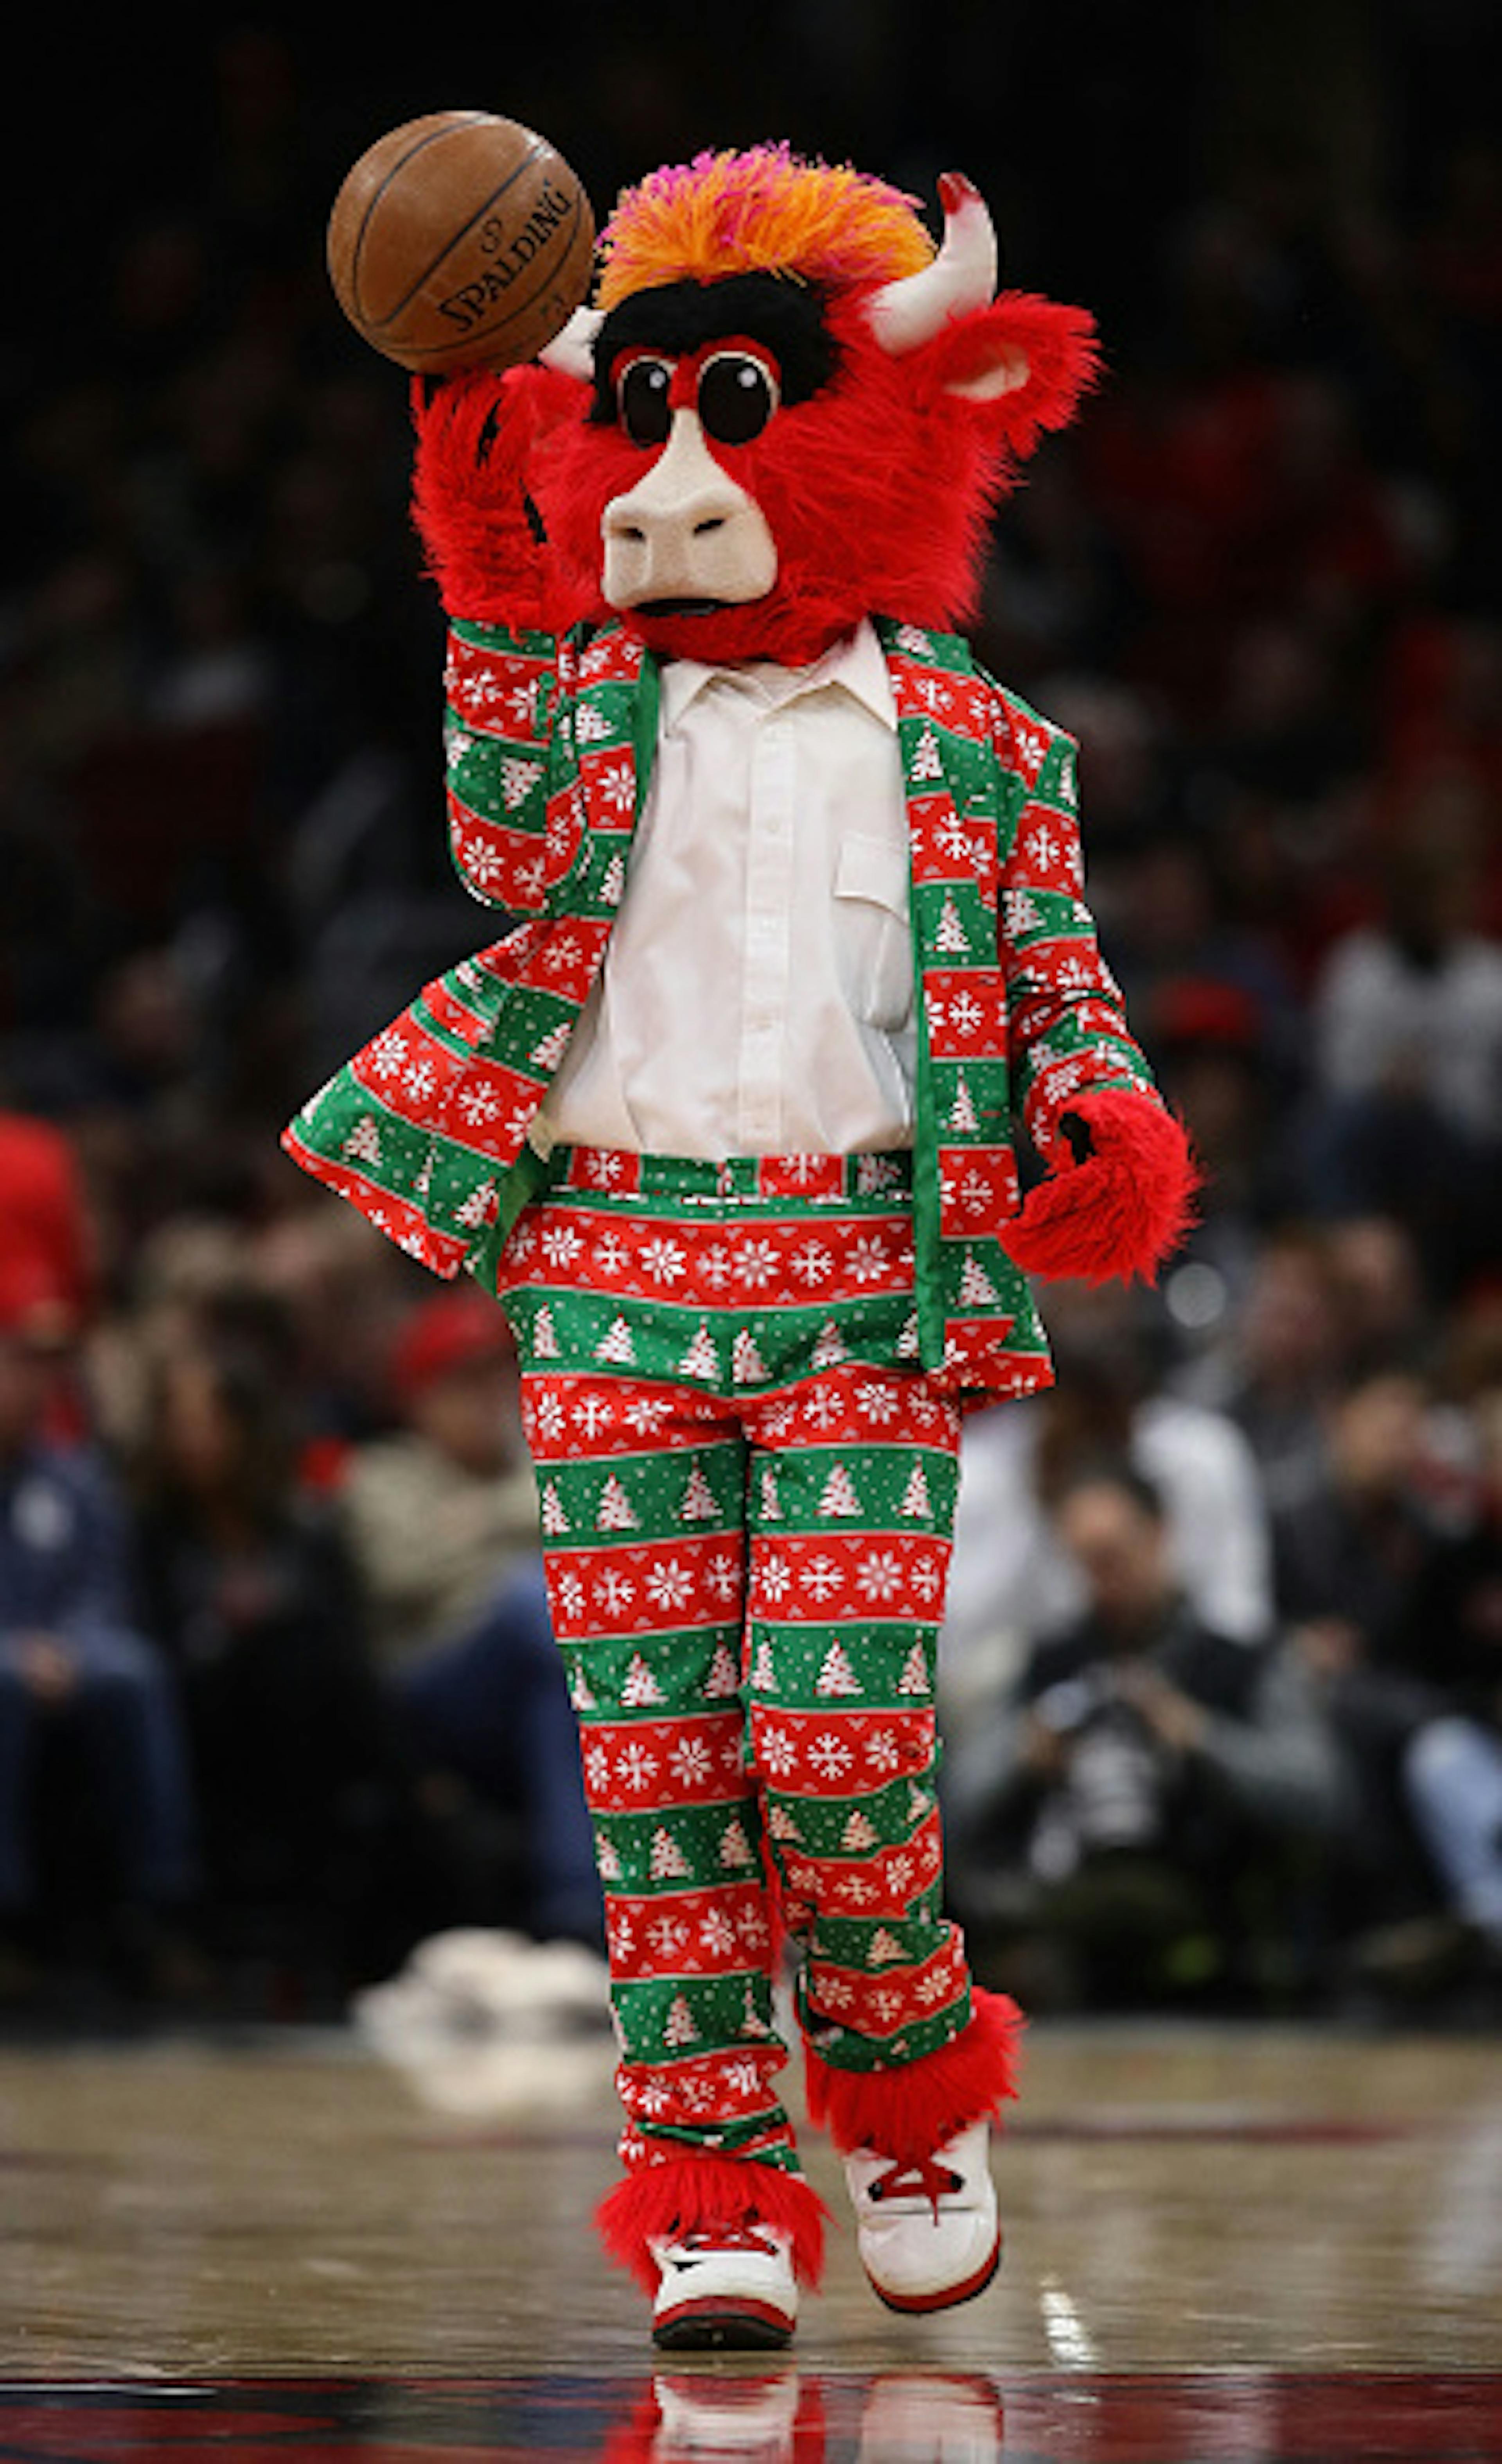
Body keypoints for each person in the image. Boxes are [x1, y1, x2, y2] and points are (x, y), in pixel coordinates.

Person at [282, 147, 1197, 2346]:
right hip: (606, 1269)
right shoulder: (586, 700)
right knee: (661, 1752)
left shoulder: (989, 752)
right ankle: (710, 2180)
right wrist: (471, 454)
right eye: (653, 423)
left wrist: (1108, 1111)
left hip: (865, 1280)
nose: (687, 479)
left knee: (832, 1721)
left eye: (746, 423)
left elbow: (1060, 986)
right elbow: (498, 811)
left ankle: (900, 2071)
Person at [944, 1461, 1345, 2009]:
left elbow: (1321, 1793)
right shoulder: (1050, 1662)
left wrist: (1199, 1736)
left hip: (1205, 1900)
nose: (1104, 1575)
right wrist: (1026, 1753)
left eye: (1116, 1553)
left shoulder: (1242, 1660)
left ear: (1160, 1535)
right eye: (1086, 1560)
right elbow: (958, 1796)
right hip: (1067, 1876)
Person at [339, 1289, 603, 1954]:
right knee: (527, 1598)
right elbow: (402, 1570)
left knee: (559, 1693)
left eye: (498, 1375)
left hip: (540, 1677)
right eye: (465, 1381)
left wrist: (472, 1525)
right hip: (431, 1686)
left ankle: (580, 1911)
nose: (490, 1397)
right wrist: (514, 1521)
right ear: (422, 1396)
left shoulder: (538, 1464)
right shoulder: (384, 1474)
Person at [0, 1256, 199, 2001]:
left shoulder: (73, 1478)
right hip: (10, 1664)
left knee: (133, 1672)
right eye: (18, 1361)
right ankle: (9, 1920)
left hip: (68, 1654)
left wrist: (67, 1646)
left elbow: (104, 1592)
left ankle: (160, 1908)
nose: (33, 1384)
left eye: (44, 1366)